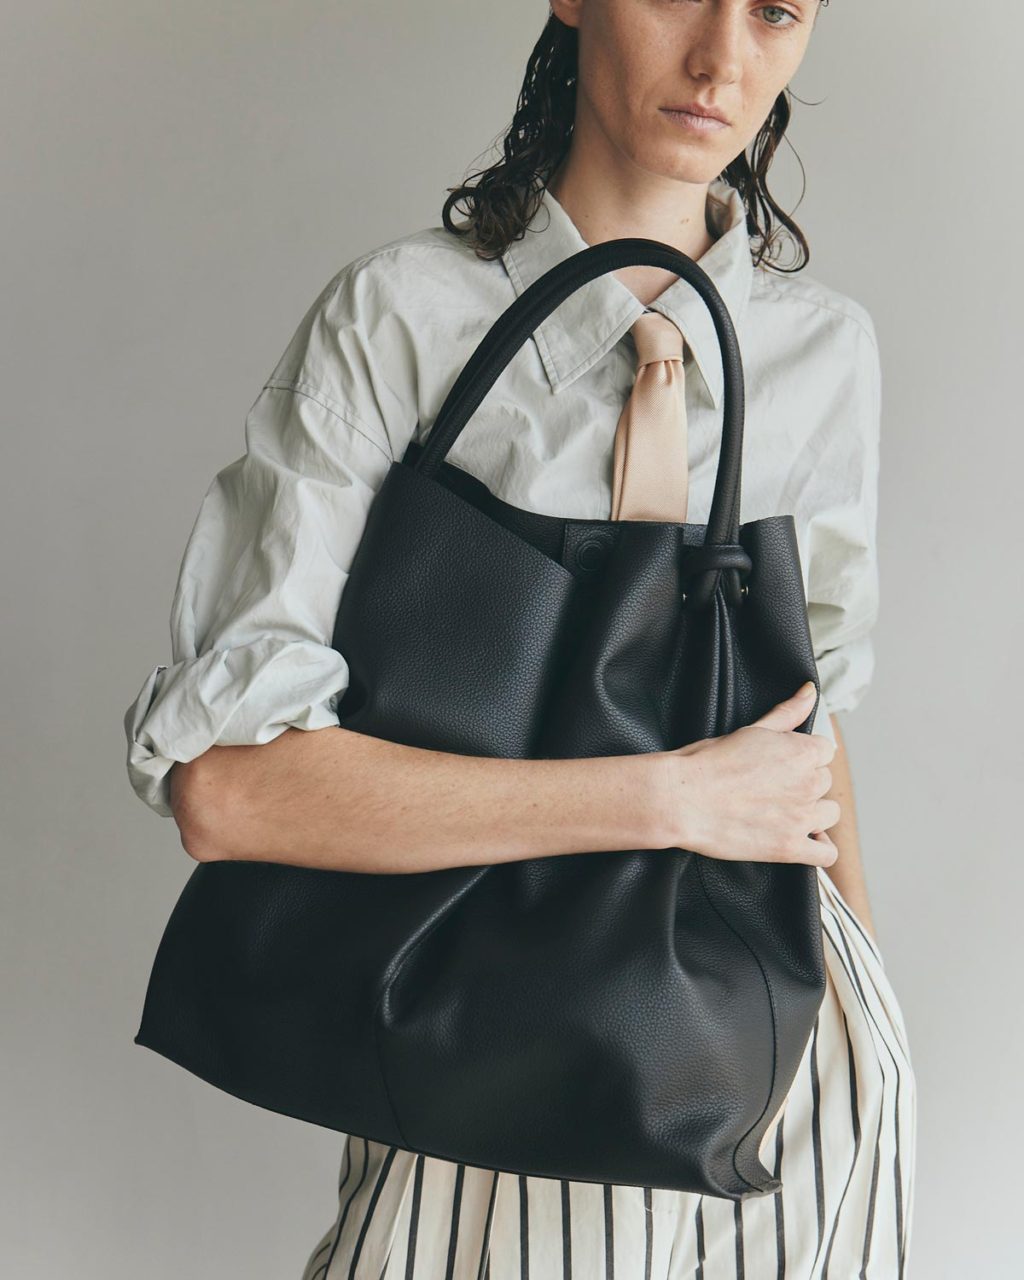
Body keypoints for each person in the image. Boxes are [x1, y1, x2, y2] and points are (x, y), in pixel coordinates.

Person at [123, 1, 917, 1275]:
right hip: (492, 1077)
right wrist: (664, 797)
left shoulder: (823, 355)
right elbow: (229, 790)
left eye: (776, 10)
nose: (722, 59)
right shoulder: (402, 319)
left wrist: (868, 1012)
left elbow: (810, 735)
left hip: (789, 1064)